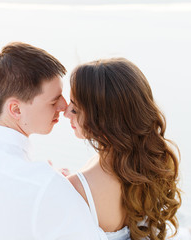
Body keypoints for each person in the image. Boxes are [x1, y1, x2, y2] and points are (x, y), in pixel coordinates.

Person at [0, 42, 100, 240]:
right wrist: (54, 187)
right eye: (53, 100)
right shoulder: (46, 185)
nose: (64, 106)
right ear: (16, 109)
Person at [64, 58, 181, 240]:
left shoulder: (77, 188)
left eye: (75, 108)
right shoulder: (155, 160)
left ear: (102, 118)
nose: (65, 113)